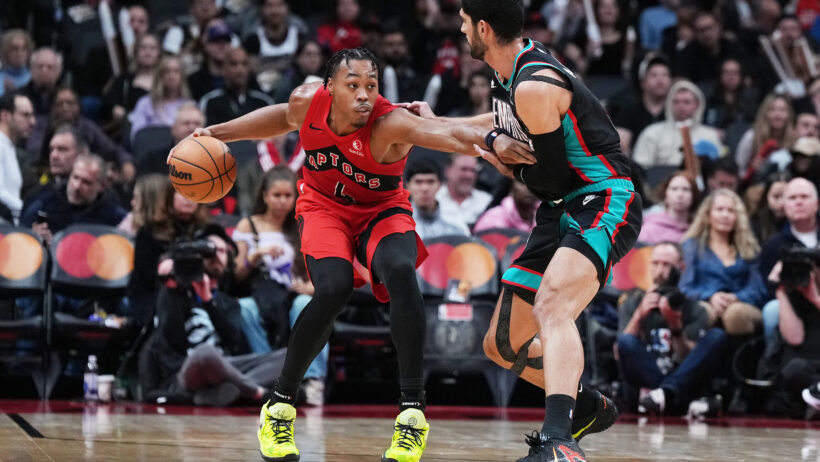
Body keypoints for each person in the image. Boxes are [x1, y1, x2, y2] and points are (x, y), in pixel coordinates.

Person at [171, 47, 533, 462]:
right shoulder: (308, 100)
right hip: (324, 207)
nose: (364, 94)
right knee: (332, 288)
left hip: (382, 209)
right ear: (330, 88)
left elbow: (449, 135)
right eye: (354, 85)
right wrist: (217, 133)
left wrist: (493, 138)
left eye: (372, 85)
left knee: (400, 270)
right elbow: (281, 118)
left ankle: (412, 413)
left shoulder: (389, 122)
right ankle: (279, 405)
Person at [456, 1, 642, 460]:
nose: (461, 32)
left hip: (601, 197)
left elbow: (549, 178)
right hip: (561, 207)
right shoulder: (509, 72)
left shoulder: (535, 85)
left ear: (483, 27)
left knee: (553, 305)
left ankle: (559, 444)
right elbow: (495, 129)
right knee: (502, 344)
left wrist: (501, 160)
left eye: (463, 24)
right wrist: (431, 123)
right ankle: (583, 405)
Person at [140, 224, 283, 406]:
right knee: (206, 353)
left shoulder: (227, 302)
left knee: (290, 358)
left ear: (229, 258)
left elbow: (236, 344)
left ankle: (218, 394)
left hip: (226, 368)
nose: (216, 255)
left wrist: (208, 301)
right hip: (186, 371)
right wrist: (170, 288)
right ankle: (255, 392)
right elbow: (170, 342)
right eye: (210, 251)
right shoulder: (174, 293)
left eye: (222, 251)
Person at [616, 243, 728, 415]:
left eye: (667, 264)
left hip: (679, 374)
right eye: (656, 263)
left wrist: (676, 328)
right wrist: (639, 315)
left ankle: (666, 394)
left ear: (680, 267)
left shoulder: (694, 309)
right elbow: (620, 352)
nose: (660, 270)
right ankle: (674, 397)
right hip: (649, 375)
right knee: (626, 340)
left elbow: (692, 361)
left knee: (717, 336)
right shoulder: (632, 303)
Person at [679, 189, 767, 336]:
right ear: (708, 215)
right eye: (720, 210)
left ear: (738, 217)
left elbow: (758, 289)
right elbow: (685, 287)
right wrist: (711, 296)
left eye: (731, 211)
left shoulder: (749, 248)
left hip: (742, 305)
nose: (725, 215)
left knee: (735, 314)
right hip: (705, 302)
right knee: (701, 312)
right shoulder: (691, 247)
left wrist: (736, 298)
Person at [199, 47, 274, 125]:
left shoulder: (264, 102)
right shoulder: (210, 102)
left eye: (244, 64)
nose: (240, 70)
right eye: (234, 64)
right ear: (224, 68)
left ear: (249, 68)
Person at [405, 160, 470, 240]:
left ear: (440, 185)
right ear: (407, 186)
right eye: (418, 182)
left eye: (430, 182)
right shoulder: (400, 223)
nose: (425, 188)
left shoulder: (455, 220)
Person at [0, 92, 36, 222]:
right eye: (26, 115)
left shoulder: (9, 147)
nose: (32, 121)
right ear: (5, 116)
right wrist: (27, 211)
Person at [637, 172, 698, 244]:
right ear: (665, 195)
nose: (680, 194)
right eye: (674, 189)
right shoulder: (650, 229)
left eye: (686, 189)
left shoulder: (700, 229)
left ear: (694, 195)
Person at [473, 181, 538, 233]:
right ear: (511, 190)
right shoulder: (492, 218)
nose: (529, 189)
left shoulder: (545, 217)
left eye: (533, 184)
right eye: (522, 183)